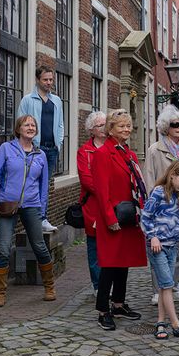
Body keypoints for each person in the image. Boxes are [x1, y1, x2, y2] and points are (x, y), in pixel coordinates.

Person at [0, 115, 55, 307]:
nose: (30, 127)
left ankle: (49, 287)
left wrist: (42, 209)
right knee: (3, 247)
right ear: (18, 128)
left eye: (33, 125)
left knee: (39, 246)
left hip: (32, 205)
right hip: (7, 204)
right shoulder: (6, 149)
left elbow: (44, 186)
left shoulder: (40, 155)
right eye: (27, 125)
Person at [91, 109, 148, 331]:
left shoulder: (129, 154)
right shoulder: (103, 154)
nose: (126, 129)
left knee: (123, 262)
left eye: (128, 125)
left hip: (129, 216)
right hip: (113, 216)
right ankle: (103, 310)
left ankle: (119, 303)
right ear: (110, 130)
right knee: (109, 265)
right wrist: (109, 217)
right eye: (121, 126)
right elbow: (101, 191)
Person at [142, 160, 179, 340]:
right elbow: (146, 217)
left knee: (163, 286)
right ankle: (176, 324)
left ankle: (161, 323)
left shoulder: (177, 195)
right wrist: (153, 236)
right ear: (172, 174)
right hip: (157, 247)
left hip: (171, 245)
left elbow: (174, 220)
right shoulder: (158, 193)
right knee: (168, 285)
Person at [144, 105, 179, 305]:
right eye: (176, 124)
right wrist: (152, 206)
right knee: (159, 250)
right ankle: (158, 290)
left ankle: (175, 285)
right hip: (161, 208)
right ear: (166, 127)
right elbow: (149, 178)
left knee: (178, 249)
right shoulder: (156, 149)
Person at [18, 65, 64, 233]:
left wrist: (59, 143)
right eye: (45, 79)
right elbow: (19, 123)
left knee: (45, 185)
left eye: (51, 79)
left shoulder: (56, 101)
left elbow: (60, 124)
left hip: (51, 150)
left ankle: (42, 218)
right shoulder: (28, 100)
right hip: (34, 149)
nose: (48, 83)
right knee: (31, 184)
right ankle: (31, 219)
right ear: (38, 80)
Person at [78, 111, 107, 296]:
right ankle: (98, 285)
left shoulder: (115, 148)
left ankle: (111, 281)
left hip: (112, 203)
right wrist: (107, 191)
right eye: (100, 125)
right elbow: (86, 179)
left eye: (106, 124)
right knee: (94, 244)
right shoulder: (84, 152)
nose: (104, 128)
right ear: (91, 130)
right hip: (93, 205)